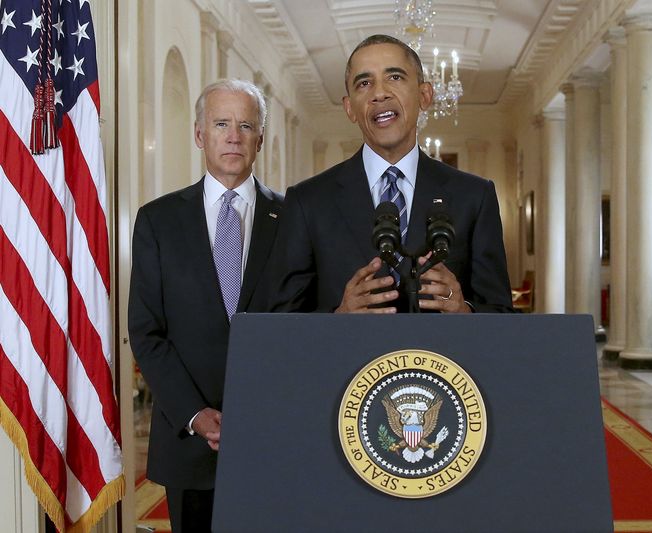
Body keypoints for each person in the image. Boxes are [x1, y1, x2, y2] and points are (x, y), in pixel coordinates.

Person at [128, 79, 283, 532]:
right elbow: (146, 331)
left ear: (260, 138)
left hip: (273, 437)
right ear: (200, 134)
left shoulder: (293, 218)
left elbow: (304, 324)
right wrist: (196, 415)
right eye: (220, 124)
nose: (233, 135)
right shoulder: (158, 220)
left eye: (245, 125)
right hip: (188, 442)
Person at [268, 34, 514, 313]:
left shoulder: (475, 196)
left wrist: (465, 312)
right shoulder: (306, 202)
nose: (379, 93)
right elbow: (280, 323)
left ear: (424, 95)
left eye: (395, 77)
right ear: (350, 108)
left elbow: (501, 313)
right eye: (364, 83)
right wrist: (337, 321)